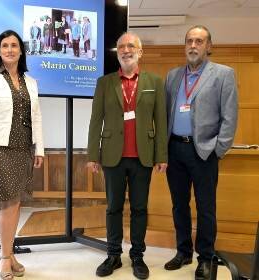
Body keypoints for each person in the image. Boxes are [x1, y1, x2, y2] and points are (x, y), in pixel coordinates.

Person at [87, 31, 168, 279]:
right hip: (113, 156)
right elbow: (95, 120)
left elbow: (160, 121)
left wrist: (161, 155)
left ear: (140, 52)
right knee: (113, 208)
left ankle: (137, 256)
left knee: (140, 209)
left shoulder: (155, 82)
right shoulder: (105, 82)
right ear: (117, 52)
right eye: (121, 46)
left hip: (143, 157)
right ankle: (113, 255)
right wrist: (92, 154)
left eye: (131, 46)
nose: (125, 50)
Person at [164, 25, 238, 280]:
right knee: (179, 206)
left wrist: (218, 149)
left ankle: (205, 257)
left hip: (204, 151)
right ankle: (183, 251)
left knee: (206, 208)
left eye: (199, 41)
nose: (193, 45)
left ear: (209, 46)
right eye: (189, 41)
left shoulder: (224, 75)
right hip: (175, 149)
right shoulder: (173, 76)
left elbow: (230, 118)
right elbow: (165, 114)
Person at [0, 30, 44, 280]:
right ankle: (4, 258)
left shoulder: (31, 82)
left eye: (14, 45)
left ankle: (10, 252)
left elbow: (36, 117)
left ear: (21, 51)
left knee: (17, 203)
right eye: (5, 45)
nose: (10, 49)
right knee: (8, 204)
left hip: (25, 148)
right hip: (1, 149)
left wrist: (40, 149)